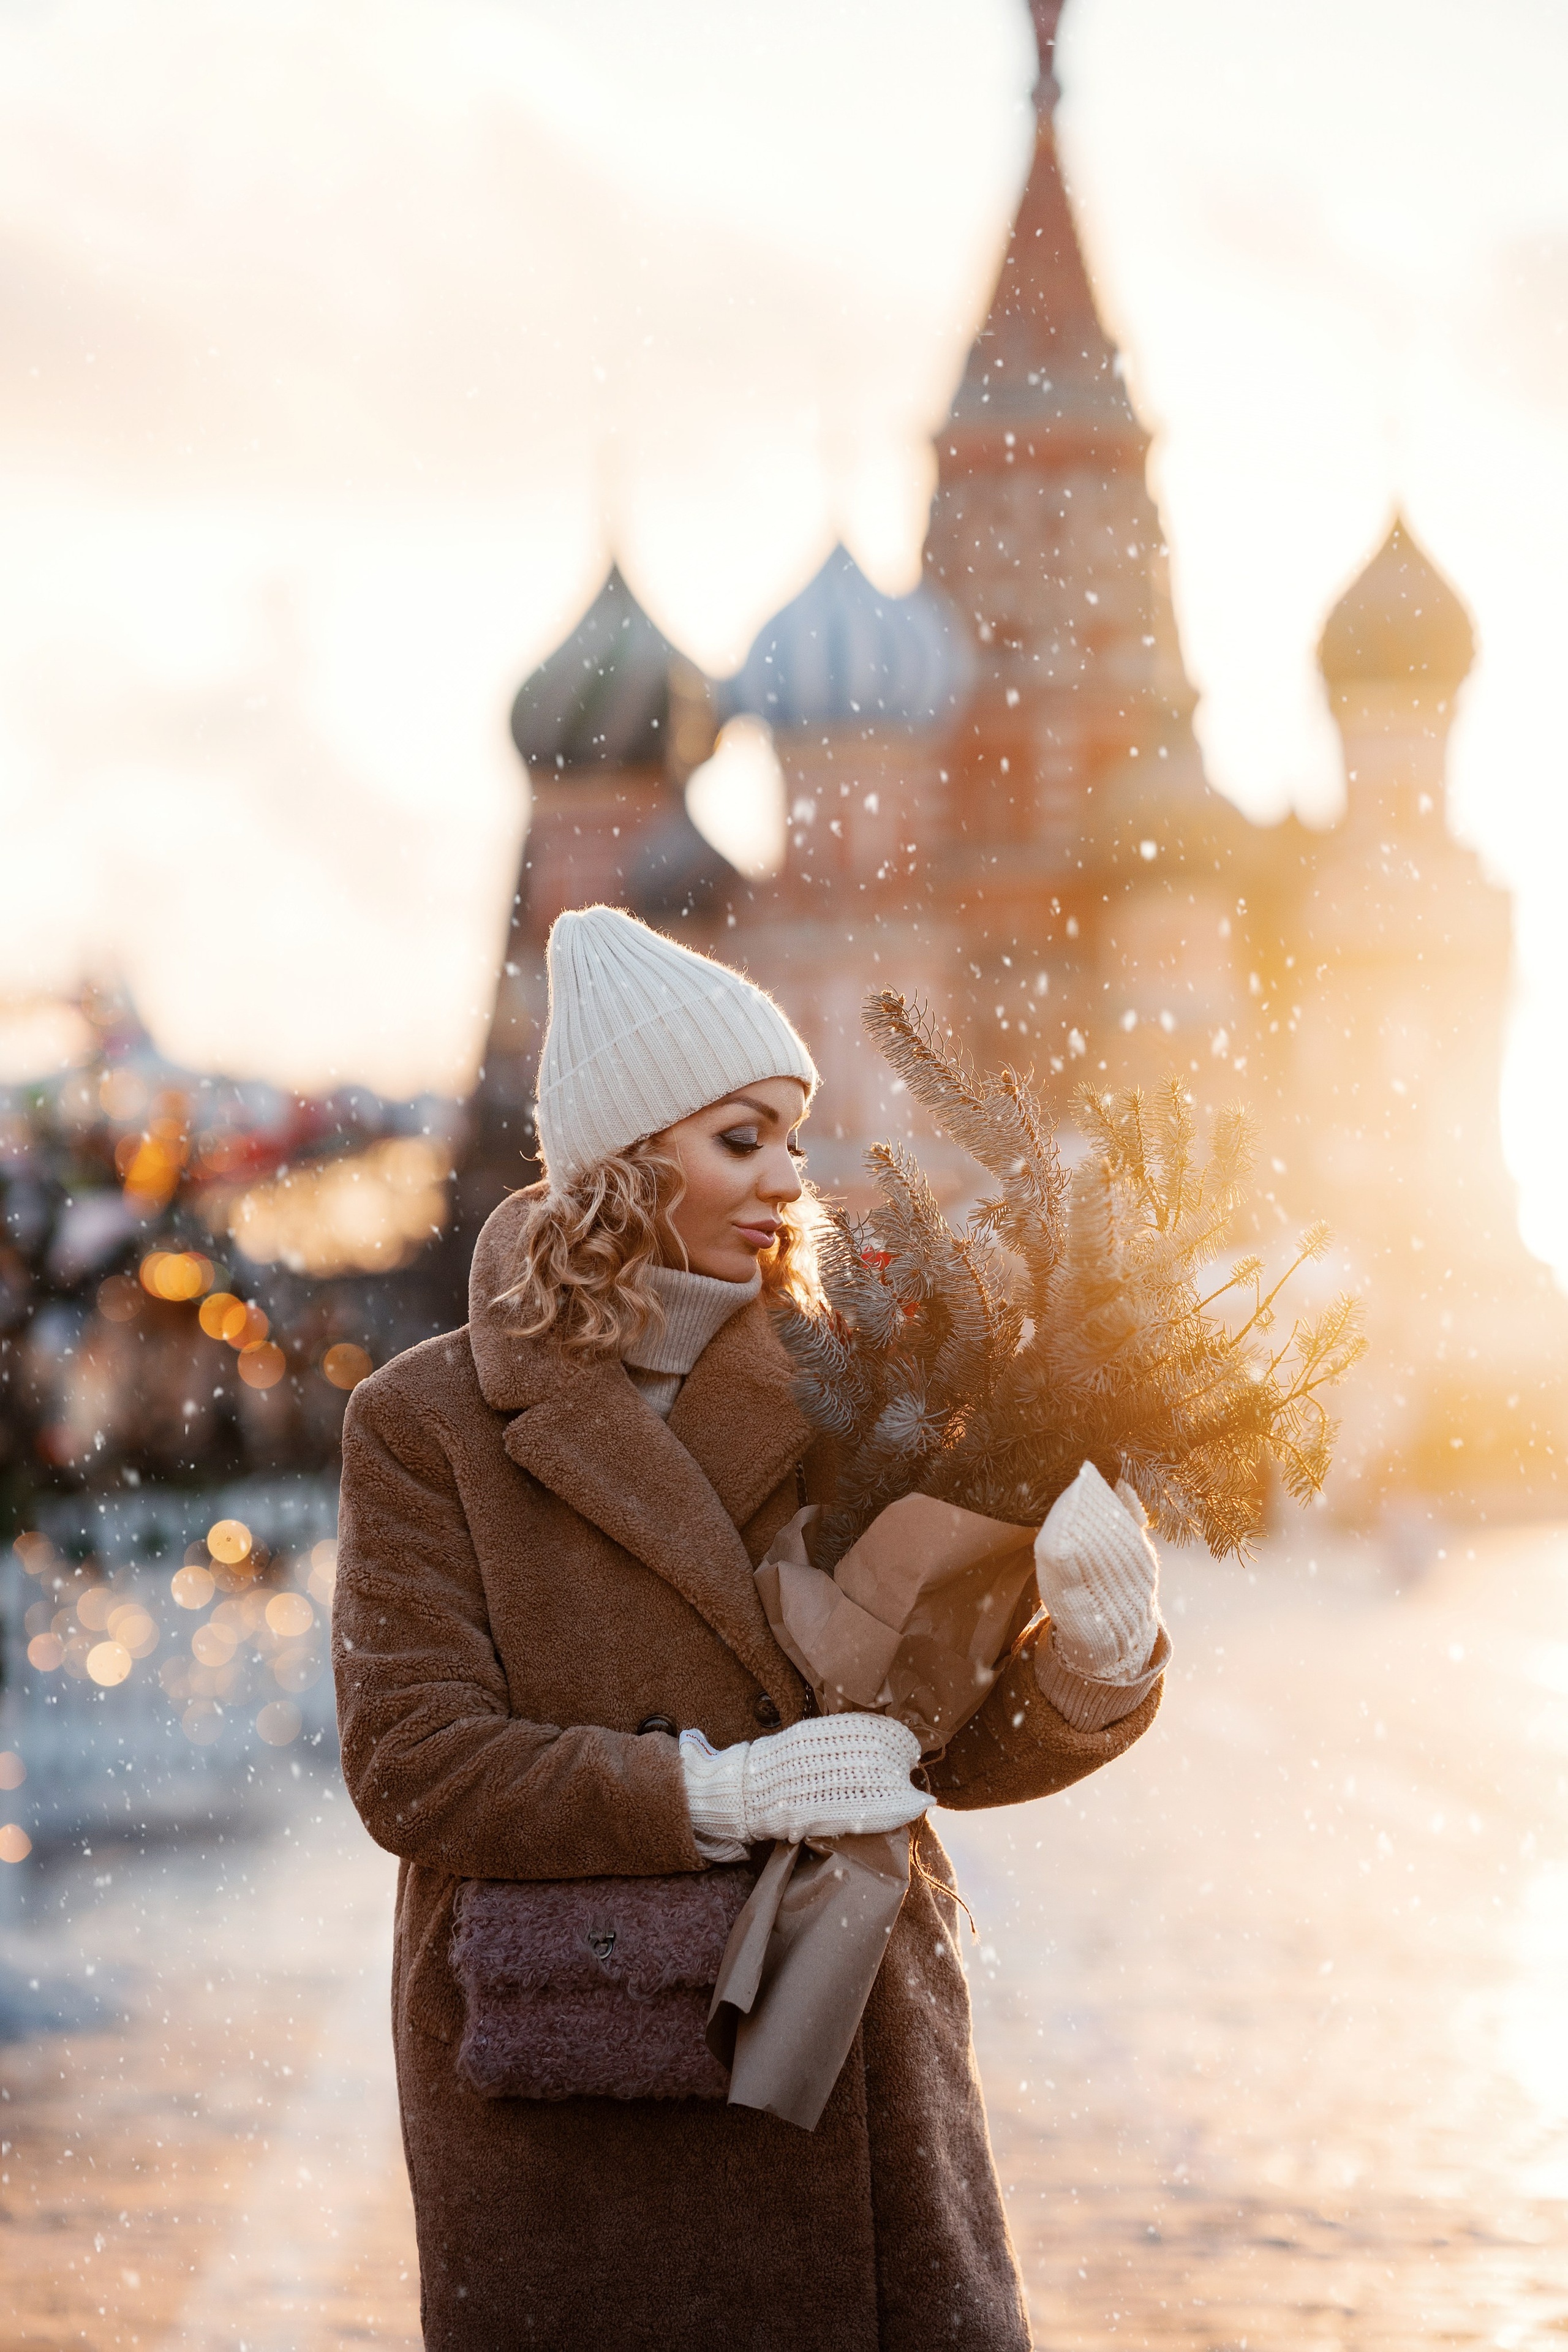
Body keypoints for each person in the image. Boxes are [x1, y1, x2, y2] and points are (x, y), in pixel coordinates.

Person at [332, 905, 1169, 2352]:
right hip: (576, 2074)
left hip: (845, 2060)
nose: (789, 1177)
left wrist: (1093, 1668)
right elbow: (413, 1764)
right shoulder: (427, 1422)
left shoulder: (855, 1385)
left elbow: (933, 1750)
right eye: (741, 1139)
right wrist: (709, 1794)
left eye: (792, 1135)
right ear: (623, 1158)